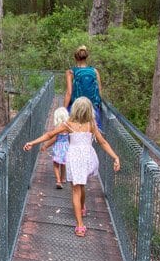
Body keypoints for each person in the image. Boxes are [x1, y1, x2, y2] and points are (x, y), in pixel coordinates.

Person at [24, 97, 121, 237]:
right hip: (87, 158)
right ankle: (82, 208)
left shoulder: (68, 124)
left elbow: (49, 134)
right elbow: (103, 142)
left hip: (74, 158)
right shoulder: (91, 124)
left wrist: (33, 142)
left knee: (76, 189)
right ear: (89, 111)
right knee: (81, 185)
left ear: (74, 109)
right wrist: (115, 157)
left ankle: (80, 225)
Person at [64, 45, 104, 131]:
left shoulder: (70, 72)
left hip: (77, 106)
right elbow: (99, 90)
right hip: (92, 106)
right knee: (94, 130)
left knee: (72, 129)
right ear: (86, 57)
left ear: (75, 58)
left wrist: (63, 109)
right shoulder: (94, 71)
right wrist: (99, 105)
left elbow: (69, 93)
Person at [40, 107, 70, 189]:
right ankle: (63, 178)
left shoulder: (57, 128)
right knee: (63, 163)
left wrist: (45, 145)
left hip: (58, 148)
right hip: (66, 147)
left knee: (56, 164)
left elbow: (53, 139)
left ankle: (58, 181)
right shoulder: (68, 127)